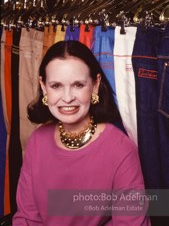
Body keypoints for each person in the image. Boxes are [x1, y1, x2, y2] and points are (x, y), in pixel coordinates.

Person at [13, 40, 151, 225]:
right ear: (44, 86)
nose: (68, 97)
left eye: (78, 85)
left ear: (95, 84)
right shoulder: (37, 141)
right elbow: (27, 219)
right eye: (56, 86)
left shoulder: (120, 150)